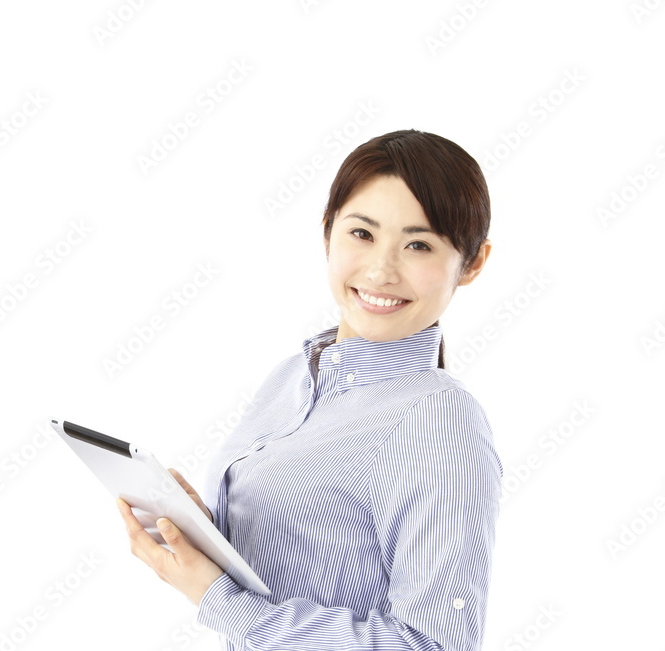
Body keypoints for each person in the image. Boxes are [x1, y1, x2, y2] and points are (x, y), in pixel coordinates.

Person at [117, 129, 503, 650]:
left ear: (473, 263)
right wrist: (206, 535)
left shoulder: (440, 422)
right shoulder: (292, 377)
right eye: (362, 233)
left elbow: (433, 645)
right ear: (327, 232)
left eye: (418, 245)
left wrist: (218, 599)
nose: (380, 270)